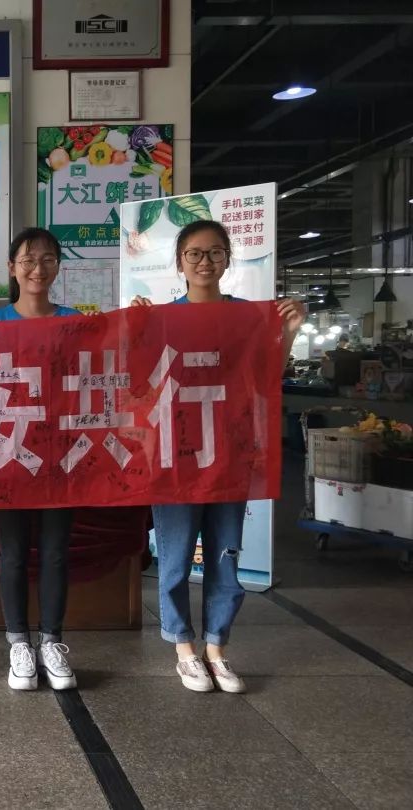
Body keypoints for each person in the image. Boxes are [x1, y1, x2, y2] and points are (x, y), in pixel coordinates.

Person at [131, 219, 305, 693]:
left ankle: (217, 649)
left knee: (225, 555)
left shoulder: (247, 317)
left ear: (228, 259)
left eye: (214, 252)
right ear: (179, 262)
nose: (204, 262)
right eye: (194, 253)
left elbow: (266, 377)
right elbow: (138, 381)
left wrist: (290, 332)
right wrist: (136, 330)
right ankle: (184, 649)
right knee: (174, 557)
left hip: (229, 455)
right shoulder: (163, 318)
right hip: (176, 458)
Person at [0, 227, 81, 692]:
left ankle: (53, 641)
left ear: (58, 266)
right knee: (14, 552)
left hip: (61, 455)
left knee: (56, 552)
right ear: (12, 268)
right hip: (10, 453)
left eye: (47, 259)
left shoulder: (76, 323)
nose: (37, 268)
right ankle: (18, 643)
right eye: (27, 260)